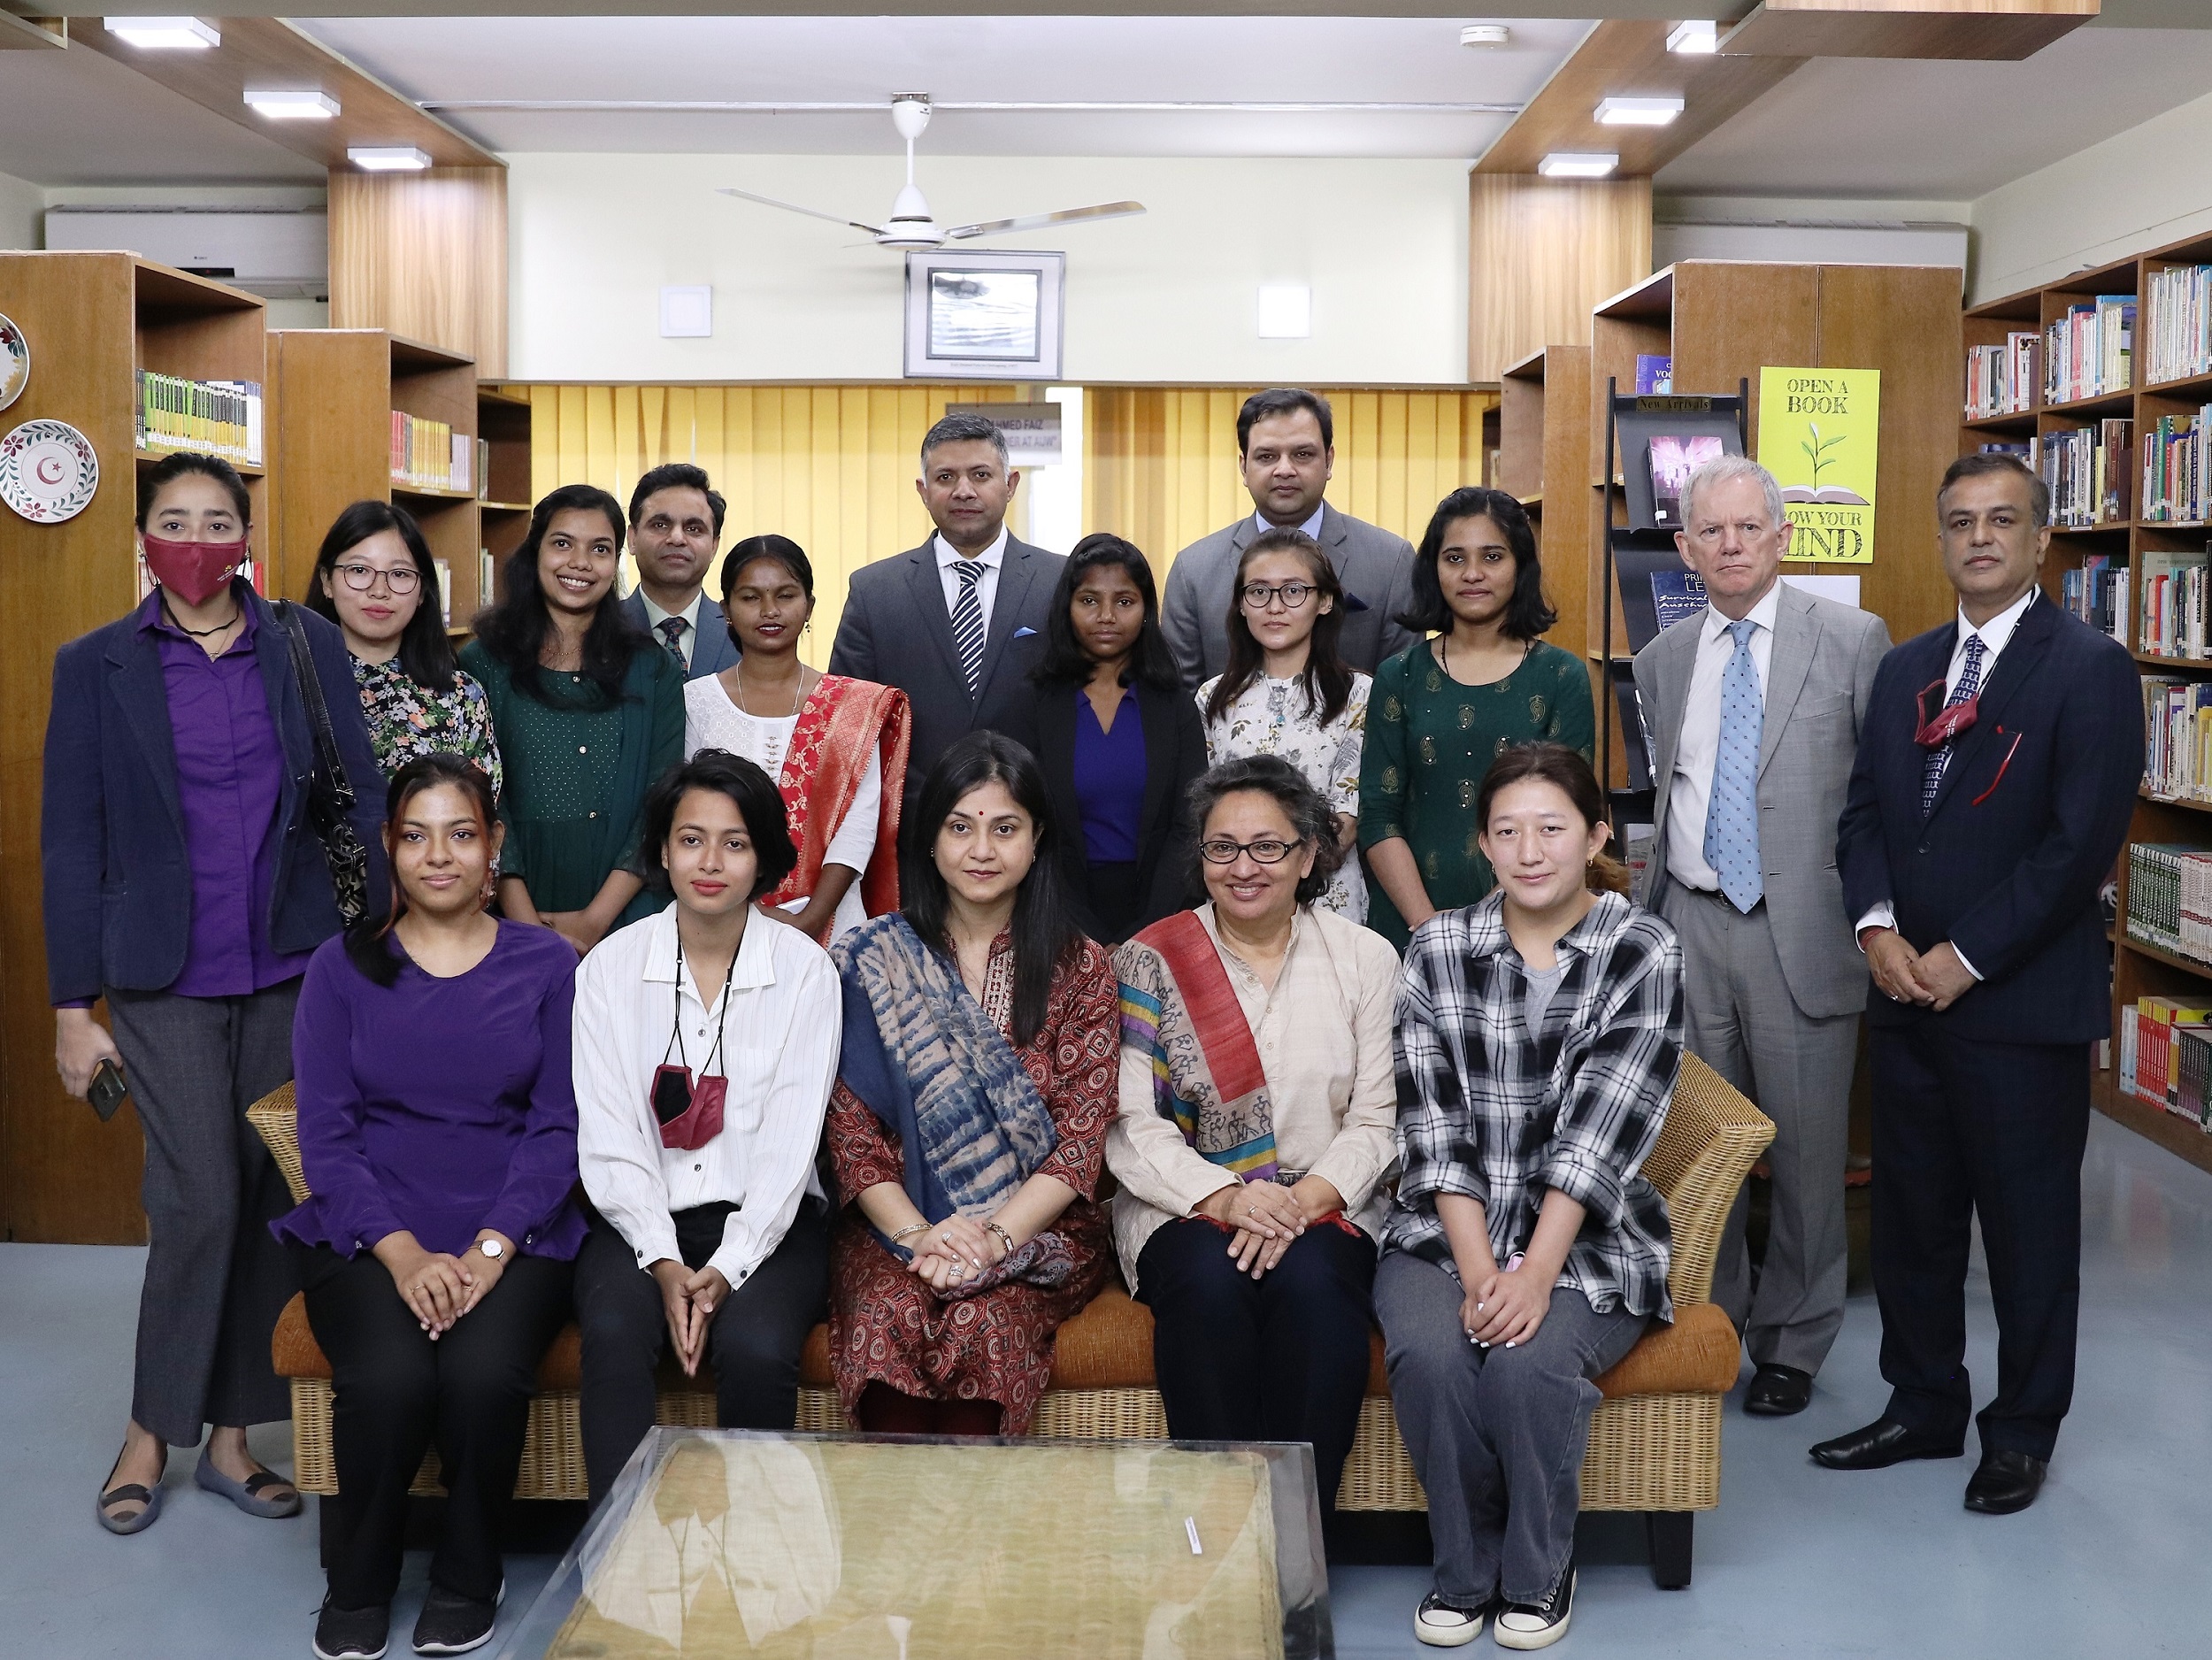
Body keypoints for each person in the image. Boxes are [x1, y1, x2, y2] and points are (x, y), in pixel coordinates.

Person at [42, 451, 388, 1537]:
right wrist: (70, 1007)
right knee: (196, 1198)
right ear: (143, 537)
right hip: (162, 975)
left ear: (248, 535)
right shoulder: (94, 664)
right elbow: (71, 839)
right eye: (175, 519)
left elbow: (357, 788)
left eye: (218, 519)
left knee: (275, 1197)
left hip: (294, 963)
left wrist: (370, 939)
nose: (198, 538)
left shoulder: (303, 642)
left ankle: (235, 1438)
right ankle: (153, 1427)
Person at [1818, 452, 2140, 1516]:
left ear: (2040, 538)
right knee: (1913, 1218)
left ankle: (2019, 1430)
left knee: (2027, 1231)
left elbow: (2075, 843)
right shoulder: (1906, 665)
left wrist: (1965, 955)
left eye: (2002, 520)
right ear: (1940, 536)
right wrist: (1875, 931)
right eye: (1959, 521)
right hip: (1901, 994)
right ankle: (1921, 1405)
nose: (1980, 537)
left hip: (2014, 1005)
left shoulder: (2088, 666)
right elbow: (1863, 810)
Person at [1378, 743, 1681, 1651]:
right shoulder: (1436, 948)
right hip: (1444, 1232)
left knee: (1524, 1363)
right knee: (1432, 1355)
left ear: (1593, 836)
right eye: (1506, 831)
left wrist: (1535, 1273)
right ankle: (1461, 1573)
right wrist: (1481, 1272)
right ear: (1482, 845)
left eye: (1552, 827)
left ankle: (1539, 1569)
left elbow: (1599, 1134)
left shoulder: (1641, 947)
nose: (1530, 849)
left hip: (1588, 1237)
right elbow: (1431, 1130)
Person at [279, 755, 582, 1660]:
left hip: (513, 1227)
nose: (438, 856)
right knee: (391, 1376)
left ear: (493, 846)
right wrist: (405, 1254)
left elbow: (559, 1127)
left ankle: (467, 1574)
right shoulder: (341, 968)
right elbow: (326, 1136)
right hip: (370, 1229)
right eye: (415, 836)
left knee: (483, 1375)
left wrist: (490, 1247)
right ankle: (360, 1582)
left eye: (461, 833)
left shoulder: (545, 964)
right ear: (388, 847)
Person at [1631, 457, 1889, 1418]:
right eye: (1712, 531)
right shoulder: (1661, 661)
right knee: (1701, 1146)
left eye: (1749, 528)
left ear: (1782, 536)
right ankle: (1714, 1322)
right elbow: (1671, 793)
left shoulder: (1852, 639)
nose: (1731, 545)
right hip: (1691, 923)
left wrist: (1879, 918)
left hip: (1802, 930)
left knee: (1809, 1152)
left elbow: (1875, 801)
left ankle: (1794, 1340)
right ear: (1685, 548)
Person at [1108, 756, 1399, 1522]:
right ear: (1199, 857)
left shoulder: (1365, 959)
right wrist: (1230, 1198)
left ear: (1308, 856)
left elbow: (1378, 1121)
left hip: (1326, 1198)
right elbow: (1132, 1124)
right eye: (1222, 848)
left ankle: (1299, 1546)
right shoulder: (1149, 958)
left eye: (1268, 847)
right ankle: (1217, 1537)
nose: (1244, 867)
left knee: (1314, 1288)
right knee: (1207, 1284)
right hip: (1187, 1202)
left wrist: (1300, 1201)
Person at [824, 731, 1118, 1437]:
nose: (982, 850)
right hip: (897, 1223)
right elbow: (852, 1138)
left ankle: (978, 1538)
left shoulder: (1082, 967)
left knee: (988, 1320)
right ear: (929, 841)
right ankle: (893, 1536)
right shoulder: (870, 959)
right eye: (961, 827)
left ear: (1037, 838)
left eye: (1004, 828)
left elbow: (1079, 1143)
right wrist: (923, 1234)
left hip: (1038, 1230)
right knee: (887, 1312)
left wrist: (991, 1238)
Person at [572, 750, 841, 1502]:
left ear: (764, 858)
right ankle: (620, 1575)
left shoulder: (805, 971)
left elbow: (792, 1144)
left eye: (735, 842)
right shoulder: (607, 972)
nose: (711, 862)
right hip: (636, 1218)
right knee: (618, 1337)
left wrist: (728, 1266)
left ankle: (756, 1575)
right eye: (691, 840)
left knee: (756, 1346)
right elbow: (611, 1137)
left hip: (767, 1219)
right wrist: (661, 1260)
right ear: (661, 850)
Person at [1360, 488, 1594, 952]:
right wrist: (1428, 926)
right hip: (1408, 923)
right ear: (1433, 569)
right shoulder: (1398, 676)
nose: (1472, 574)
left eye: (1492, 557)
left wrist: (1484, 923)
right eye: (1454, 558)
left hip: (1531, 920)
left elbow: (1572, 814)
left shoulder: (1562, 676)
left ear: (1520, 566)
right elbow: (1378, 815)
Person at [462, 484, 687, 957]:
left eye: (600, 549)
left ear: (616, 561)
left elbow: (659, 802)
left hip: (629, 909)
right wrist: (525, 924)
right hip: (507, 908)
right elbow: (482, 802)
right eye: (562, 543)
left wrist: (593, 921)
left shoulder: (653, 671)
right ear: (535, 551)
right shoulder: (482, 664)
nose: (580, 563)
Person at [685, 534, 910, 942]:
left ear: (809, 606)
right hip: (719, 917)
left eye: (785, 595)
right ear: (727, 611)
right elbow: (687, 820)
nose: (769, 610)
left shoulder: (851, 705)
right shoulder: (695, 702)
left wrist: (810, 918)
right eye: (751, 597)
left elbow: (858, 826)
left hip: (832, 923)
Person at [827, 412, 1065, 795]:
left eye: (981, 475)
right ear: (923, 491)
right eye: (946, 478)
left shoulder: (1061, 582)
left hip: (1031, 817)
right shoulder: (874, 592)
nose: (964, 491)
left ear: (1011, 484)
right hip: (911, 828)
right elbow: (850, 730)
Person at [1002, 534, 1208, 944]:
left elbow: (1189, 826)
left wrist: (1142, 932)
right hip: (1055, 912)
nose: (1107, 616)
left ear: (1147, 609)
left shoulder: (1175, 707)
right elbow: (1025, 826)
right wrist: (1087, 935)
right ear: (1067, 607)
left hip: (1162, 912)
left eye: (1125, 601)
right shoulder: (1033, 705)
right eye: (1090, 600)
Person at [1161, 388, 1418, 690]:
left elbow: (1401, 693)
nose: (1285, 469)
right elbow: (1180, 699)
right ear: (1244, 467)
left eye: (1303, 454)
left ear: (1329, 460)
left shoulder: (1390, 561)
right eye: (1267, 456)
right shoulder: (1192, 571)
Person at [1197, 526, 1371, 922]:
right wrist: (1249, 876)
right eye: (1258, 592)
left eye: (1293, 591)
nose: (1274, 607)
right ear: (1241, 605)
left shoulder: (1359, 694)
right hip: (1237, 894)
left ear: (1324, 600)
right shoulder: (1212, 698)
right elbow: (1208, 811)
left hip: (1328, 899)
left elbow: (1351, 812)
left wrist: (1285, 877)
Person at [305, 498, 503, 795]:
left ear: (422, 591)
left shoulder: (461, 696)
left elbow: (479, 815)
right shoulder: (293, 686)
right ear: (327, 582)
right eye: (359, 570)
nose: (379, 591)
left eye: (399, 574)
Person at [617, 461, 741, 680]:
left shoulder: (743, 632)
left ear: (714, 546)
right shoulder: (597, 628)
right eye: (660, 525)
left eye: (693, 529)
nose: (676, 538)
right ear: (632, 538)